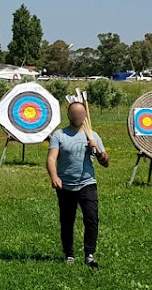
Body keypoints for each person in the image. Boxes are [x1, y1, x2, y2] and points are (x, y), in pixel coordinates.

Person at [47, 102, 109, 268]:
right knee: (67, 220)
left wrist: (98, 150)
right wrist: (54, 176)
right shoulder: (59, 135)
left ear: (85, 116)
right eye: (74, 113)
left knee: (91, 219)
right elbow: (52, 158)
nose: (77, 116)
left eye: (81, 113)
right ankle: (69, 255)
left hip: (88, 183)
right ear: (69, 115)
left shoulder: (92, 135)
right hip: (65, 184)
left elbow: (105, 162)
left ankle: (89, 254)